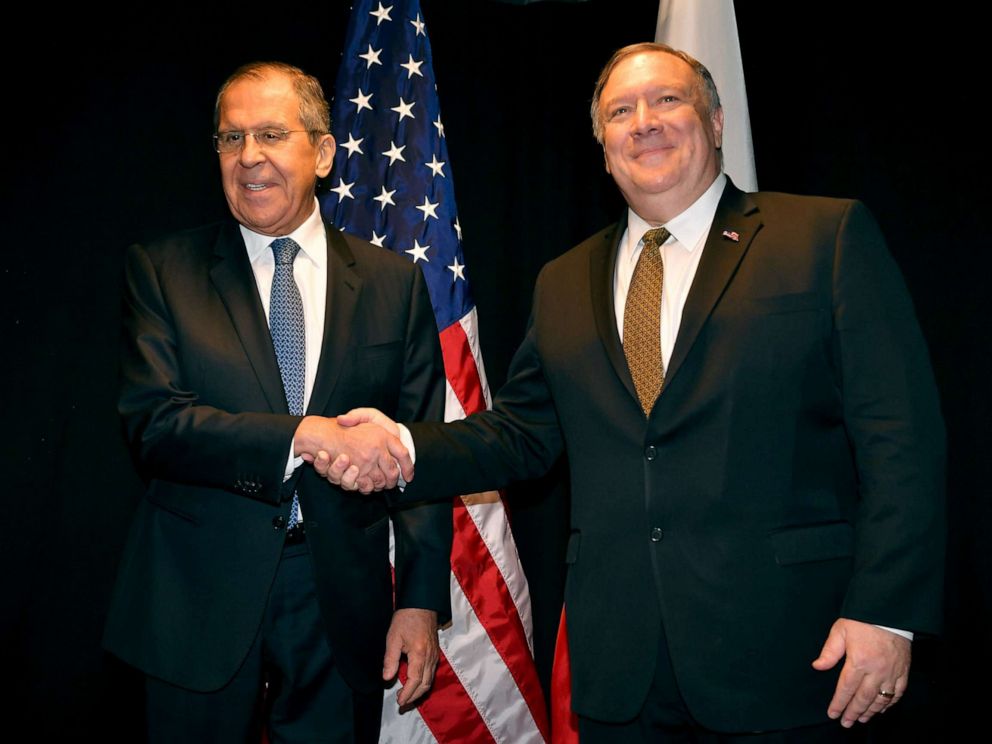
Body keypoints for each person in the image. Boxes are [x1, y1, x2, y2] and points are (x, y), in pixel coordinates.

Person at [321, 43, 946, 741]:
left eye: (667, 100)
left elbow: (902, 442)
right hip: (620, 668)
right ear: (603, 143)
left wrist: (887, 612)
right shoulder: (563, 280)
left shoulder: (822, 238)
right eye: (621, 111)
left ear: (714, 121)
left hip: (794, 658)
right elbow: (522, 435)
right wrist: (403, 444)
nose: (644, 121)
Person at [103, 61, 450, 743]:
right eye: (231, 140)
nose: (249, 157)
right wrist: (303, 438)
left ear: (322, 152)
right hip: (194, 601)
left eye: (269, 134)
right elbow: (155, 425)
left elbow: (420, 456)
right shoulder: (163, 271)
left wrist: (418, 601)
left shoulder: (394, 285)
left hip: (338, 604)